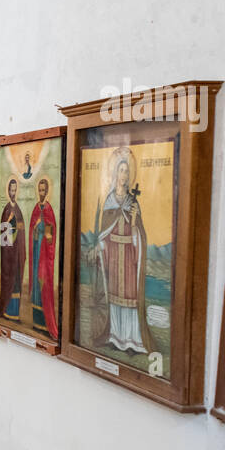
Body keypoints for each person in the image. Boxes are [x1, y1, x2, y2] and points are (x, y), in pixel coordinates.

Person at [93, 149, 150, 354]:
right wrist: (99, 247)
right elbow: (104, 232)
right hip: (113, 256)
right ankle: (116, 337)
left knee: (129, 298)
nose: (124, 175)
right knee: (115, 297)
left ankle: (131, 341)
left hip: (128, 256)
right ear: (115, 174)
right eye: (121, 170)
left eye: (127, 171)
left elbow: (140, 235)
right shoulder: (108, 200)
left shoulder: (133, 202)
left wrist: (134, 222)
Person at [28, 178, 58, 339]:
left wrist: (45, 229)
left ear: (46, 192)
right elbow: (31, 229)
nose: (41, 193)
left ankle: (45, 323)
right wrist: (35, 228)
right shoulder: (35, 209)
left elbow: (51, 234)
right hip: (36, 250)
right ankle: (36, 321)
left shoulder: (48, 209)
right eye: (39, 190)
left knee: (43, 283)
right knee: (35, 285)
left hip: (44, 253)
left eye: (43, 190)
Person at [0, 177, 26, 321]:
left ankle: (14, 313)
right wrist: (12, 225)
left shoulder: (18, 209)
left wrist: (19, 230)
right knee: (10, 281)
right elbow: (4, 236)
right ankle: (7, 310)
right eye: (11, 190)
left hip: (17, 252)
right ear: (8, 191)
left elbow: (22, 229)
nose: (13, 193)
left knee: (16, 281)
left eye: (15, 190)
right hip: (9, 254)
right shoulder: (7, 210)